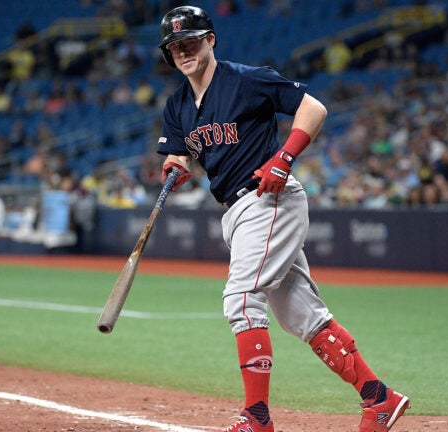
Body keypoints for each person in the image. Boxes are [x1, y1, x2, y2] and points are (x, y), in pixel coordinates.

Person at [154, 6, 409, 432]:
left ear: (210, 40)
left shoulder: (246, 79)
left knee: (240, 298)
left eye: (191, 42)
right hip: (236, 212)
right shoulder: (177, 104)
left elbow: (314, 108)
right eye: (175, 47)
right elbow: (179, 152)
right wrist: (175, 166)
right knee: (303, 316)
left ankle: (257, 417)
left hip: (268, 200)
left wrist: (283, 158)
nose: (183, 51)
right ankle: (379, 399)